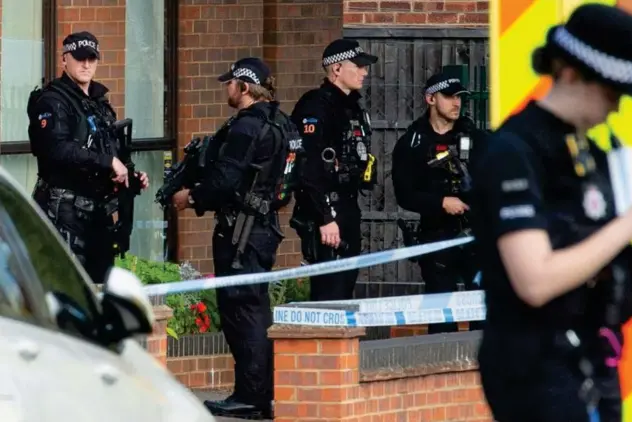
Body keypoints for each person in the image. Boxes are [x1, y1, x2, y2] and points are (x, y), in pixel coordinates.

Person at [470, 5, 632, 422]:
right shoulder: (514, 153)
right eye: (611, 92)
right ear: (568, 71)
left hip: (592, 362)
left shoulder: (593, 155)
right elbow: (534, 281)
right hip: (535, 370)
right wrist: (628, 226)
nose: (617, 107)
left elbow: (621, 286)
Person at [171, 57, 295, 419]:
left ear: (244, 87)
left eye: (231, 84)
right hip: (264, 227)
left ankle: (251, 397)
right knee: (255, 308)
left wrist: (191, 197)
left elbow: (225, 179)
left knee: (242, 312)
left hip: (241, 231)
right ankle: (261, 391)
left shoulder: (246, 127)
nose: (227, 89)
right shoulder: (281, 122)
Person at [28, 31, 149, 284]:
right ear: (64, 60)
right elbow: (56, 149)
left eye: (92, 59)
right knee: (67, 289)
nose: (86, 64)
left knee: (100, 289)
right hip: (62, 212)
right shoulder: (53, 101)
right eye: (79, 58)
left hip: (96, 215)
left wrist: (129, 175)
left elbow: (109, 150)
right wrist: (107, 162)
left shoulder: (98, 102)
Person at [391, 73, 488, 334]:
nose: (456, 103)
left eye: (459, 97)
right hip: (436, 237)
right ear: (431, 99)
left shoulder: (476, 138)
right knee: (441, 316)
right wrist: (440, 202)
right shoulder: (412, 143)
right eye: (449, 96)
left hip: (476, 237)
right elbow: (404, 194)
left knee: (482, 311)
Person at [289, 38, 378, 301]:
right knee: (330, 294)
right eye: (359, 65)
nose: (365, 72)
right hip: (327, 213)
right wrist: (325, 217)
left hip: (348, 206)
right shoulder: (317, 105)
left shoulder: (352, 107)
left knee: (345, 289)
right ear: (337, 69)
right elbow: (308, 167)